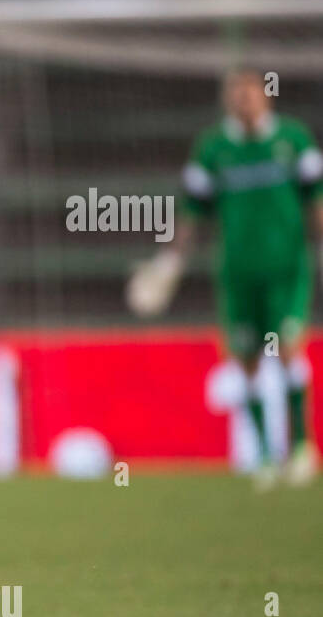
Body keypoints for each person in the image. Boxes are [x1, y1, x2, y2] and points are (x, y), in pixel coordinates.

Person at [130, 68, 323, 488]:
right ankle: (267, 458)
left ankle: (304, 447)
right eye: (237, 96)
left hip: (286, 269)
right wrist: (171, 261)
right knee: (248, 361)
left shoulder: (293, 140)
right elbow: (194, 213)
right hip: (237, 273)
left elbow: (315, 202)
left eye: (251, 94)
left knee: (289, 349)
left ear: (266, 95)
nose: (244, 102)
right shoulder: (213, 150)